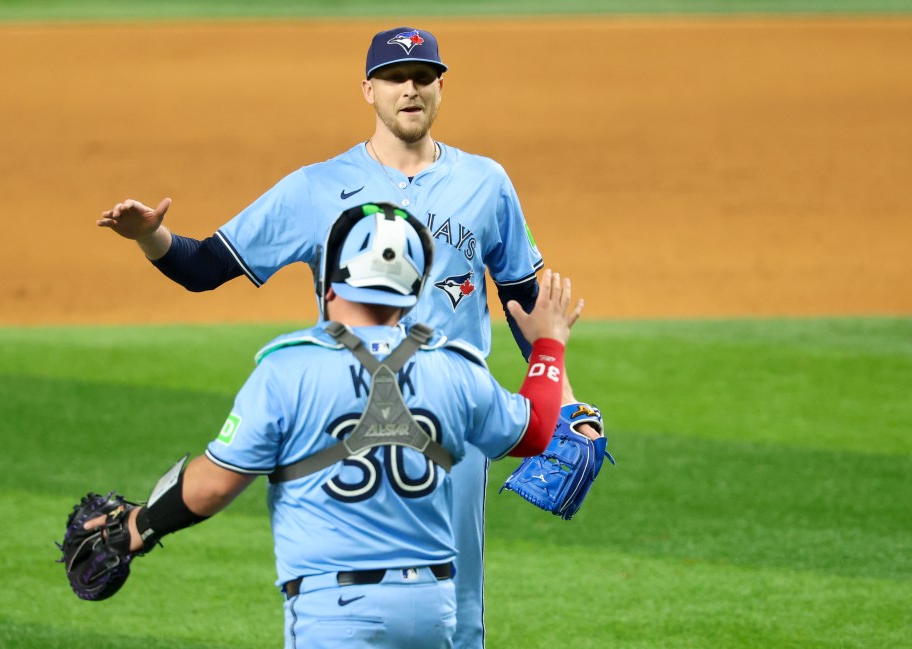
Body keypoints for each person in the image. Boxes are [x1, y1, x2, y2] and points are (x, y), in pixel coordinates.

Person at [96, 27, 601, 648]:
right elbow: (203, 267)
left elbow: (526, 303)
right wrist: (150, 235)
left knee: (456, 614)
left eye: (422, 77)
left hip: (451, 419)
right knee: (417, 598)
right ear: (369, 90)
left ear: (442, 86)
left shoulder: (486, 182)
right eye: (395, 78)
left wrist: (570, 400)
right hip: (362, 402)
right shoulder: (315, 187)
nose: (410, 89)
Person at [87, 203, 589, 648]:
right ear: (413, 289)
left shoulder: (288, 368)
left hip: (336, 614)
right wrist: (548, 344)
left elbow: (214, 486)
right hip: (431, 612)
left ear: (329, 283)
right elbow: (538, 429)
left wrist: (135, 529)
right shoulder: (455, 366)